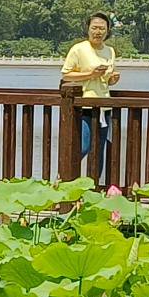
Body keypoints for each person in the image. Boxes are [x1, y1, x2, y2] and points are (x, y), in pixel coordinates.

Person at [62, 11, 120, 178]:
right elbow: (66, 74)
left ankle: (94, 187)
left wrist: (113, 79)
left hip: (103, 105)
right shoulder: (79, 49)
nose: (98, 32)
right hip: (84, 105)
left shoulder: (110, 51)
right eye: (94, 28)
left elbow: (106, 80)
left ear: (107, 31)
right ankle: (66, 179)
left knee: (100, 148)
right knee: (83, 146)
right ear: (87, 29)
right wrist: (90, 74)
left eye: (102, 28)